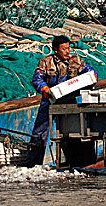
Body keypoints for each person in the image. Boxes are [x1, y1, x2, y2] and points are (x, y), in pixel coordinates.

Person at [25, 35, 97, 167]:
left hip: (69, 100)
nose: (67, 51)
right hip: (50, 100)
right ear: (55, 50)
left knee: (73, 130)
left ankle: (75, 162)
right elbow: (37, 79)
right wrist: (44, 89)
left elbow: (88, 69)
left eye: (68, 48)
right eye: (64, 49)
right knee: (40, 132)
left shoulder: (75, 60)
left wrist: (93, 74)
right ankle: (33, 164)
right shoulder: (46, 62)